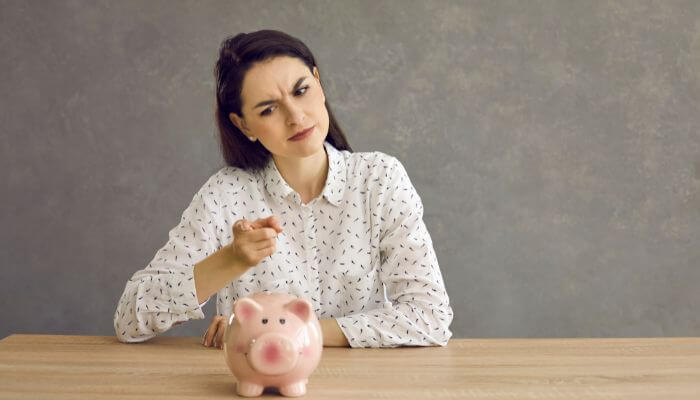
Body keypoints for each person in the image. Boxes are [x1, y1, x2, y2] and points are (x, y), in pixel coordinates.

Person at [113, 29, 453, 348]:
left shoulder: (380, 179)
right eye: (268, 109)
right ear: (244, 125)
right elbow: (129, 320)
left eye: (301, 90)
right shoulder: (225, 195)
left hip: (362, 387)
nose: (295, 116)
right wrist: (230, 260)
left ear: (318, 84)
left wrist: (281, 333)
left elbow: (430, 316)